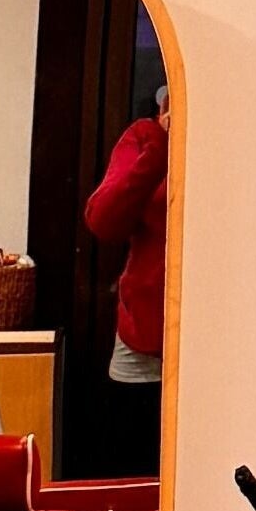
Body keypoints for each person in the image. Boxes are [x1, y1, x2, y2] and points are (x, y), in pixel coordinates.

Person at [80, 88, 168, 478]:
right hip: (142, 337)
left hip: (211, 344)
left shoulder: (232, 139)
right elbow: (103, 220)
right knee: (131, 465)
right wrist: (160, 148)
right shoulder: (145, 138)